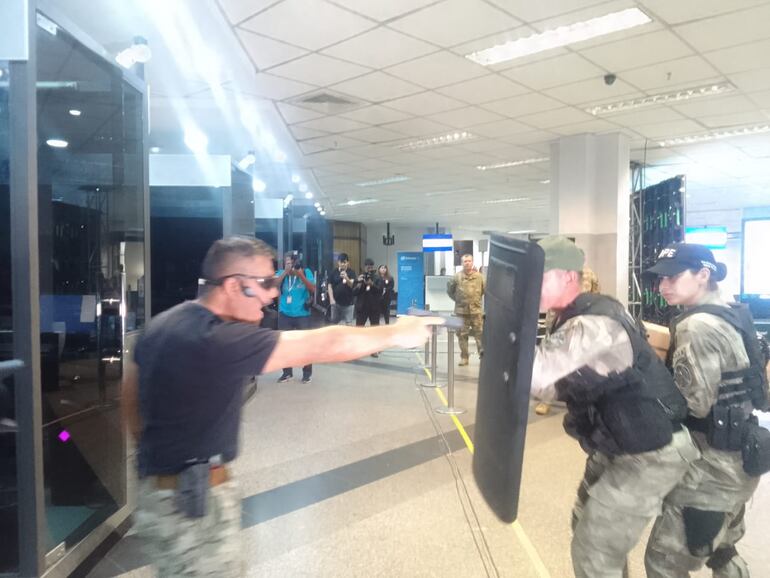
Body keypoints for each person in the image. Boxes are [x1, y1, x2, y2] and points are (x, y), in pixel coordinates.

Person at [122, 237, 440, 577]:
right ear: (233, 285)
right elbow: (325, 343)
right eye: (265, 284)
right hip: (192, 504)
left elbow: (130, 398)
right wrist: (398, 333)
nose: (273, 292)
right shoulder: (218, 340)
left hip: (161, 493)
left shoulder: (164, 324)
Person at [530, 235, 698, 578]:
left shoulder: (593, 323)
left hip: (651, 452)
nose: (530, 286)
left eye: (539, 276)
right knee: (586, 525)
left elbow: (536, 379)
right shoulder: (570, 314)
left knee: (594, 550)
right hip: (621, 442)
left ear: (567, 276)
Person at [644, 243, 768, 578]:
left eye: (673, 276)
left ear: (703, 274)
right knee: (722, 551)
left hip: (708, 472)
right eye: (660, 279)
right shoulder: (734, 311)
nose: (663, 286)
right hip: (741, 460)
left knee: (662, 562)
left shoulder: (696, 326)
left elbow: (690, 404)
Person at [535, 266, 601, 416]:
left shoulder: (589, 273)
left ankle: (585, 402)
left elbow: (595, 293)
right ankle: (546, 400)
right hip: (559, 321)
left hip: (581, 320)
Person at [275, 252, 315, 384]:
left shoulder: (306, 271)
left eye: (291, 263)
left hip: (302, 314)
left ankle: (307, 373)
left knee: (305, 345)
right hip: (285, 313)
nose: (289, 265)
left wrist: (300, 275)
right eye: (287, 263)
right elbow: (274, 284)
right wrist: (285, 272)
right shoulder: (281, 272)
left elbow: (312, 288)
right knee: (285, 344)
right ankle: (287, 372)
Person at [447, 254, 485, 366]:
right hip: (461, 311)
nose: (467, 263)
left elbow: (484, 290)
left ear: (472, 262)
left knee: (480, 334)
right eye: (465, 261)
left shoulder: (480, 277)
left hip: (476, 311)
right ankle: (464, 357)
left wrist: (475, 301)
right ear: (462, 263)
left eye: (469, 261)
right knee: (462, 335)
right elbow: (450, 291)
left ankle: (482, 356)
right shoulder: (456, 277)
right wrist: (458, 300)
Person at [353, 258, 384, 356]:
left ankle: (374, 350)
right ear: (364, 267)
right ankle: (357, 349)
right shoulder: (360, 277)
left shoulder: (378, 278)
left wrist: (372, 284)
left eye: (370, 266)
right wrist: (359, 283)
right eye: (367, 266)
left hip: (374, 307)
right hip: (362, 307)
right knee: (359, 329)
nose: (369, 268)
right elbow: (354, 292)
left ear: (373, 267)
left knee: (374, 329)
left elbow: (380, 291)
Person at [329, 253, 355, 325]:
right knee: (334, 324)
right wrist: (331, 299)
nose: (343, 264)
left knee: (349, 325)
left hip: (349, 304)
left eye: (344, 262)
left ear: (348, 263)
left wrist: (346, 278)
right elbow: (329, 286)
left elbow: (352, 285)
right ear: (338, 262)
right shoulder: (333, 272)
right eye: (341, 262)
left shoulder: (352, 272)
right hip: (336, 303)